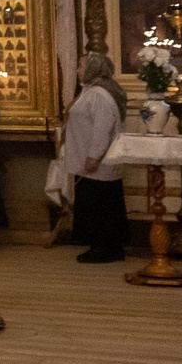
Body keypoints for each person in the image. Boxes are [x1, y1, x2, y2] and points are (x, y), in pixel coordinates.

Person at [61, 51, 130, 263]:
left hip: (97, 161)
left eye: (81, 66)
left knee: (99, 205)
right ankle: (107, 245)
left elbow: (103, 127)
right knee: (102, 202)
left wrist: (94, 155)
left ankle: (103, 247)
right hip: (91, 158)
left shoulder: (99, 94)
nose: (77, 70)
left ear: (92, 68)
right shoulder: (94, 91)